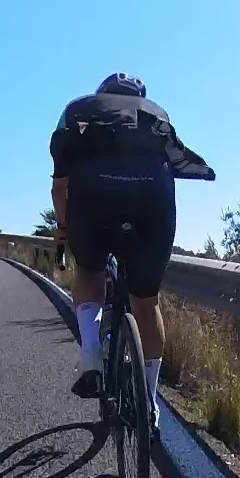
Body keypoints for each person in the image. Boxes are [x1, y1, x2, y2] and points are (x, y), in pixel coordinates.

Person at [48, 73, 214, 413]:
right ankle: (149, 404)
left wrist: (65, 228)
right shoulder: (154, 113)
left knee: (91, 274)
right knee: (146, 302)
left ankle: (92, 360)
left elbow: (59, 188)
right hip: (152, 202)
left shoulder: (80, 112)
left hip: (92, 200)